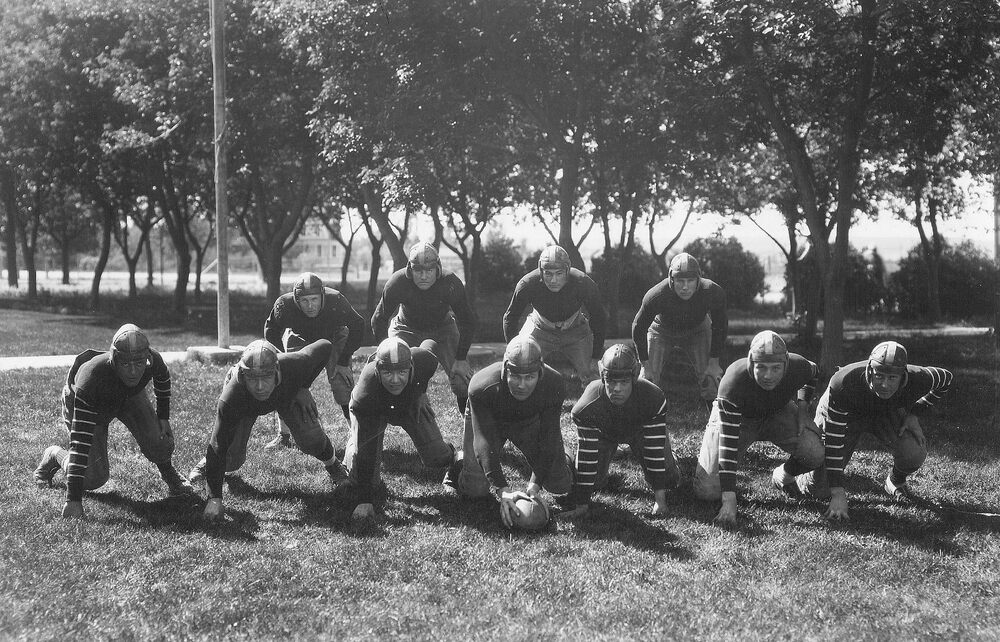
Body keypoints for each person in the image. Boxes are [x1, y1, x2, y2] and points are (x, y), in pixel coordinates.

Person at [33, 324, 194, 519]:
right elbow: (80, 443)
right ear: (114, 359)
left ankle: (169, 473)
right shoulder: (90, 380)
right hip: (94, 401)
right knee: (93, 478)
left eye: (139, 363)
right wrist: (73, 500)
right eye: (126, 364)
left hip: (129, 396)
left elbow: (162, 377)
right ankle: (54, 455)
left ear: (147, 358)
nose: (134, 372)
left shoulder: (153, 360)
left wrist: (163, 417)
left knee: (160, 440)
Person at [189, 339, 349, 521]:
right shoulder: (232, 397)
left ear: (278, 372)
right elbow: (218, 443)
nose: (259, 387)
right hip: (246, 405)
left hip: (286, 393)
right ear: (242, 376)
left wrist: (303, 386)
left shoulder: (294, 364)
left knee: (311, 438)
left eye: (266, 377)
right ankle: (206, 463)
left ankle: (334, 464)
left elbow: (325, 346)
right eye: (252, 378)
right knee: (231, 460)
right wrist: (215, 499)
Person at [797, 341, 953, 520]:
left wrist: (914, 414)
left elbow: (946, 378)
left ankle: (895, 481)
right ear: (870, 370)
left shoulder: (919, 377)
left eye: (892, 378)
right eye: (879, 376)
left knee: (914, 452)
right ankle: (797, 473)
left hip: (886, 410)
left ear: (903, 376)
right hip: (848, 411)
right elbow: (834, 441)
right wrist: (838, 493)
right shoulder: (844, 383)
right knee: (817, 490)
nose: (885, 385)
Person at [693, 330, 824, 525]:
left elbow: (813, 373)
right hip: (738, 418)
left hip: (777, 411)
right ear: (750, 363)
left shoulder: (798, 366)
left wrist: (803, 411)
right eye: (761, 367)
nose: (768, 375)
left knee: (815, 453)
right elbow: (727, 446)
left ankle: (783, 476)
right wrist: (729, 499)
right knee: (707, 491)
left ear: (786, 365)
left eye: (776, 368)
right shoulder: (733, 383)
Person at [444, 335, 572, 528]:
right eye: (515, 376)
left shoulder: (554, 383)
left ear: (541, 372)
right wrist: (502, 489)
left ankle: (566, 457)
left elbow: (549, 436)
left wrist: (534, 486)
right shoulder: (482, 386)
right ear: (505, 369)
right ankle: (459, 463)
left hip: (527, 418)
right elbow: (483, 441)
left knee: (560, 484)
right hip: (490, 421)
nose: (521, 385)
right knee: (475, 489)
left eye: (529, 377)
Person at [344, 338, 458, 519]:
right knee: (362, 476)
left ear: (412, 367)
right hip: (375, 408)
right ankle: (352, 447)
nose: (395, 380)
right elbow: (368, 449)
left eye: (402, 371)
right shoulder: (365, 395)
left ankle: (454, 455)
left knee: (437, 457)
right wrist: (365, 499)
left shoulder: (423, 360)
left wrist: (420, 392)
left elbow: (430, 345)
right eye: (387, 372)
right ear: (377, 370)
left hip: (408, 403)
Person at [563, 344, 680, 518]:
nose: (616, 389)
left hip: (642, 431)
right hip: (604, 434)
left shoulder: (653, 398)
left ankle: (671, 455)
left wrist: (659, 501)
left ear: (634, 378)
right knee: (594, 483)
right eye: (611, 381)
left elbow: (654, 450)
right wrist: (582, 505)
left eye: (624, 382)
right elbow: (588, 456)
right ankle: (569, 454)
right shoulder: (586, 407)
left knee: (670, 481)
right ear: (602, 377)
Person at [262, 272, 366, 449]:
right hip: (300, 337)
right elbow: (271, 330)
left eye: (314, 299)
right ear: (296, 299)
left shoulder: (336, 301)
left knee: (342, 382)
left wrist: (343, 361)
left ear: (322, 296)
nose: (310, 306)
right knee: (287, 381)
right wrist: (283, 360)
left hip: (334, 335)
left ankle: (355, 433)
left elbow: (358, 324)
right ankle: (283, 434)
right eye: (304, 301)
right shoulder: (284, 305)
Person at [371, 242, 476, 413]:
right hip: (405, 328)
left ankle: (468, 426)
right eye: (418, 270)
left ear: (438, 269)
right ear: (409, 270)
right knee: (390, 372)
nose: (424, 276)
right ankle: (399, 414)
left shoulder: (450, 283)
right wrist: (385, 352)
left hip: (443, 328)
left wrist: (461, 358)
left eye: (429, 270)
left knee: (462, 381)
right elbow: (378, 319)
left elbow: (467, 320)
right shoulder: (398, 282)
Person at [502, 245, 607, 385]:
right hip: (539, 327)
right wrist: (513, 349)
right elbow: (510, 317)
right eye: (548, 273)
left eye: (559, 273)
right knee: (517, 364)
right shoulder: (527, 284)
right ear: (540, 271)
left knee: (594, 374)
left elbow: (599, 317)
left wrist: (595, 357)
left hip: (576, 329)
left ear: (568, 270)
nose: (553, 280)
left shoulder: (583, 282)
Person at [632, 252, 728, 402]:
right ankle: (646, 417)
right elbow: (638, 327)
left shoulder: (712, 292)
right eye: (680, 281)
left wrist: (714, 361)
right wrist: (645, 364)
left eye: (690, 281)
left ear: (698, 279)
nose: (685, 287)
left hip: (699, 329)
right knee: (647, 378)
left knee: (711, 376)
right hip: (661, 329)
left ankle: (716, 417)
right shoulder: (656, 295)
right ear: (671, 279)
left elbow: (720, 325)